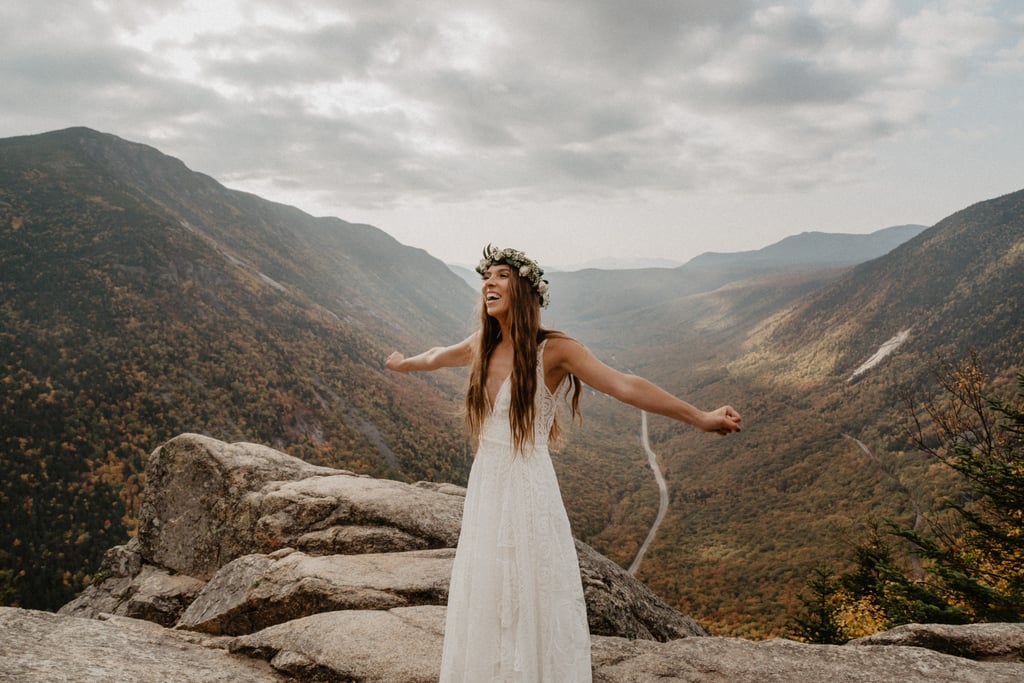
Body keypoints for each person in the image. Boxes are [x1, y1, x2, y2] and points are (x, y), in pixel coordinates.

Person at [385, 245, 741, 682]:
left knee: (532, 590)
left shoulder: (553, 350)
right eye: (486, 278)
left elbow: (624, 385)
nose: (489, 284)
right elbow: (439, 355)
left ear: (524, 289)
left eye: (500, 276)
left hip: (528, 486)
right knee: (489, 586)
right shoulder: (483, 344)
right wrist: (405, 366)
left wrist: (700, 417)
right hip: (488, 485)